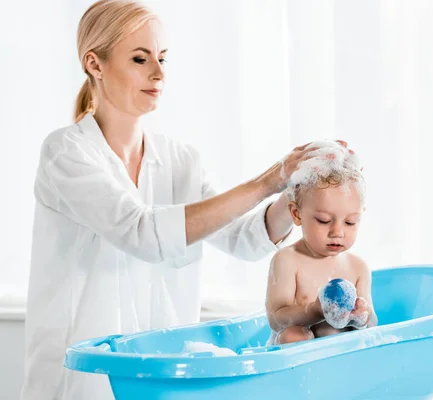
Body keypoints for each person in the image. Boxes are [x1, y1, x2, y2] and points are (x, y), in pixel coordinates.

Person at [20, 1, 348, 399]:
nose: (158, 74)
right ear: (94, 63)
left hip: (164, 380)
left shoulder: (180, 160)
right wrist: (269, 180)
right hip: (82, 384)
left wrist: (295, 189)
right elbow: (142, 232)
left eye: (162, 58)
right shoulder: (66, 153)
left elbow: (244, 239)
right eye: (140, 59)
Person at [265, 141, 377, 345]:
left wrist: (362, 315)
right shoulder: (288, 260)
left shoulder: (358, 267)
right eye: (324, 221)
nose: (337, 232)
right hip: (297, 356)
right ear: (296, 214)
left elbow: (372, 321)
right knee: (294, 334)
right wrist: (315, 311)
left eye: (350, 222)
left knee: (356, 336)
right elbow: (276, 319)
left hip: (338, 356)